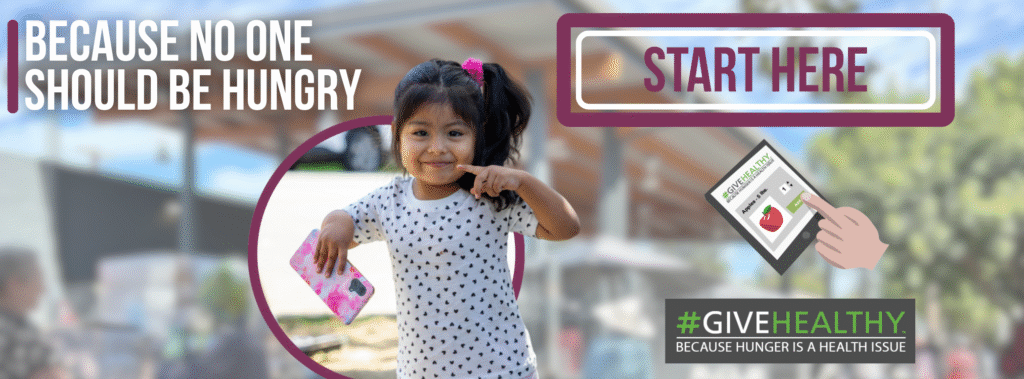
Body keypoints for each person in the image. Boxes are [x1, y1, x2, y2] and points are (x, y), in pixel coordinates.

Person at [315, 58, 580, 379]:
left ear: (477, 137)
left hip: (503, 371)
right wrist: (335, 223)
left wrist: (524, 182)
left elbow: (566, 227)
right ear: (397, 135)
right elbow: (345, 220)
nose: (436, 148)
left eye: (454, 133)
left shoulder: (491, 195)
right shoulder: (389, 202)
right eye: (420, 132)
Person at [0, 247, 62, 379]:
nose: (43, 288)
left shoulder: (18, 322)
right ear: (14, 285)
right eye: (38, 278)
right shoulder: (7, 331)